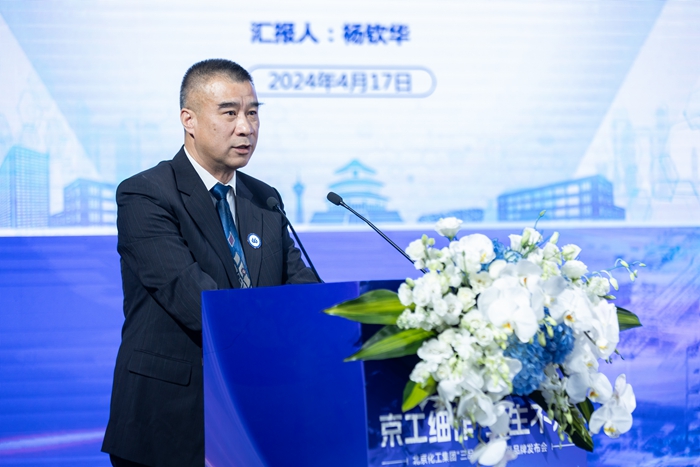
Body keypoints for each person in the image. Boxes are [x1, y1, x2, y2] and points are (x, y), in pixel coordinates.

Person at [101, 59, 318, 467]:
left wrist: (336, 320)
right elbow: (194, 299)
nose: (246, 127)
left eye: (253, 113)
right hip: (170, 420)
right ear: (189, 119)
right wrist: (282, 332)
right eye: (230, 113)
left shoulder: (264, 198)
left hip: (255, 416)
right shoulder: (146, 194)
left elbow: (301, 286)